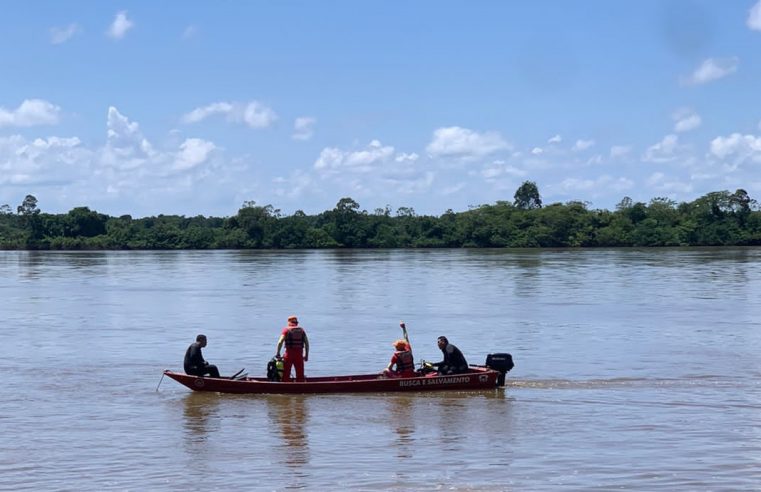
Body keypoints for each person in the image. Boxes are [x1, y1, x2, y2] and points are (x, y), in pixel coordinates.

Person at [275, 315, 309, 382]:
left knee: (286, 374)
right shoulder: (301, 330)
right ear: (296, 322)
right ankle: (300, 387)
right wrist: (306, 355)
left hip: (288, 355)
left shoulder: (286, 330)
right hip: (299, 355)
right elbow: (307, 344)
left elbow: (280, 342)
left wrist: (278, 353)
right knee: (300, 375)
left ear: (289, 322)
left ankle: (285, 387)